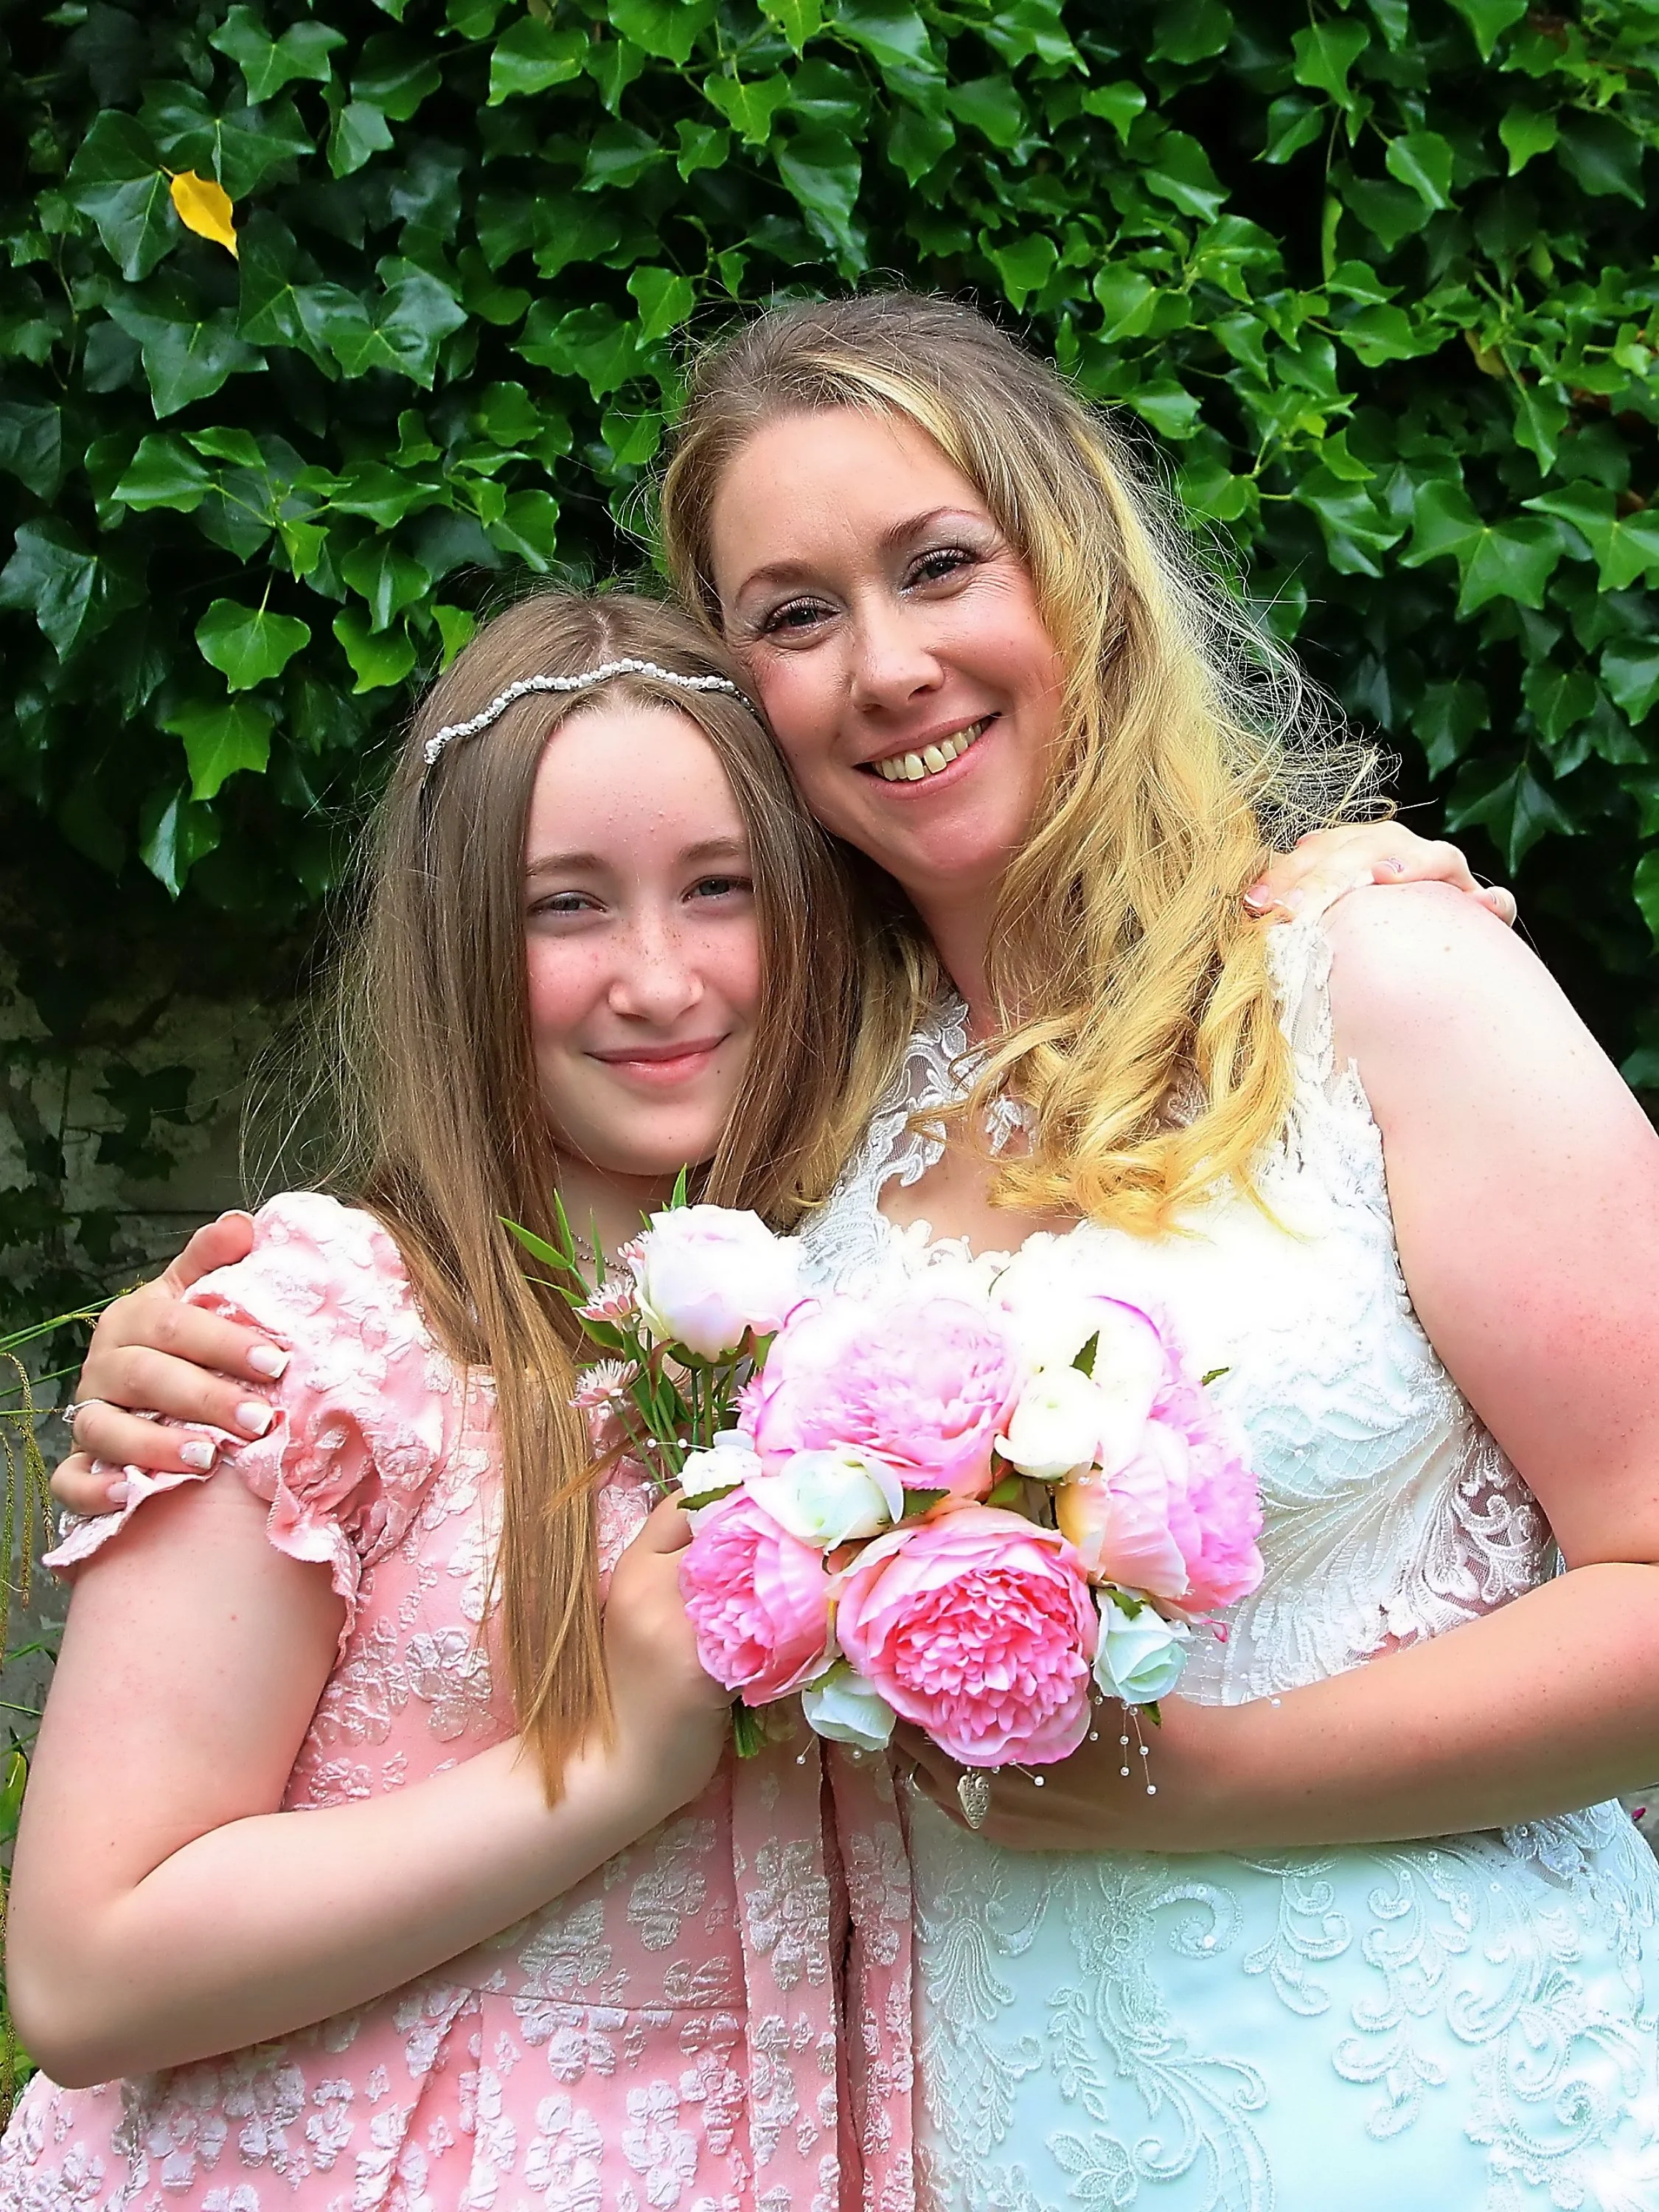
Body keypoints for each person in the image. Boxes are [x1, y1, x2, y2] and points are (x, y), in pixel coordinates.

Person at [41, 291, 1559, 2212]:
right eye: (792, 614)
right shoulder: (731, 1222)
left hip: (1373, 2089)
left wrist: (1363, 893)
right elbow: (92, 1957)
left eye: (939, 564)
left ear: (1077, 564)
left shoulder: (1344, 986)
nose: (889, 663)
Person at [0, 588, 917, 2212]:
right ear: (456, 943)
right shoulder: (319, 1344)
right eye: (567, 907)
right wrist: (609, 1768)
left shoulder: (890, 1326)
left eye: (720, 889)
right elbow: (88, 1975)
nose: (659, 977)